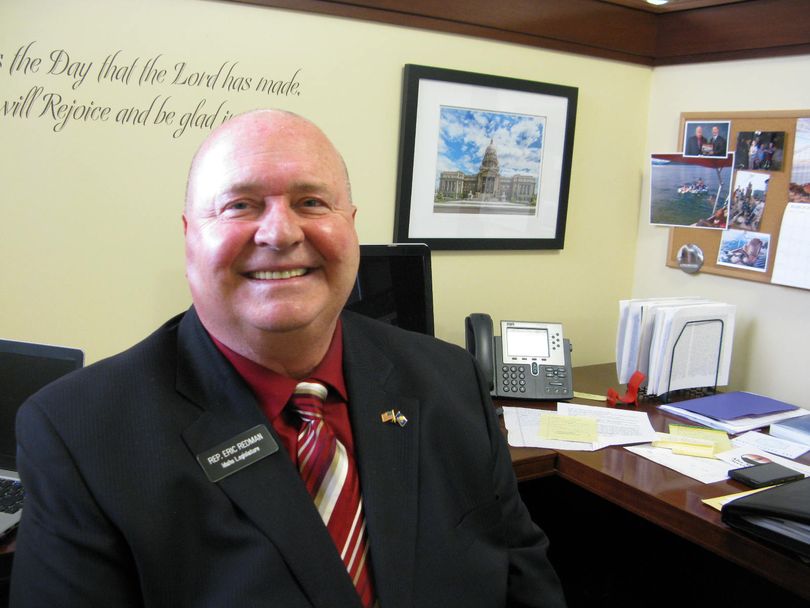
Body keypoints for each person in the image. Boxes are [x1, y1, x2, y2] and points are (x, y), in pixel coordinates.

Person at [10, 110, 566, 607]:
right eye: (240, 205)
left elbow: (523, 575)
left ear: (350, 224)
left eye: (311, 202)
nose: (280, 232)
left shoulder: (451, 380)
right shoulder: (80, 433)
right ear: (188, 237)